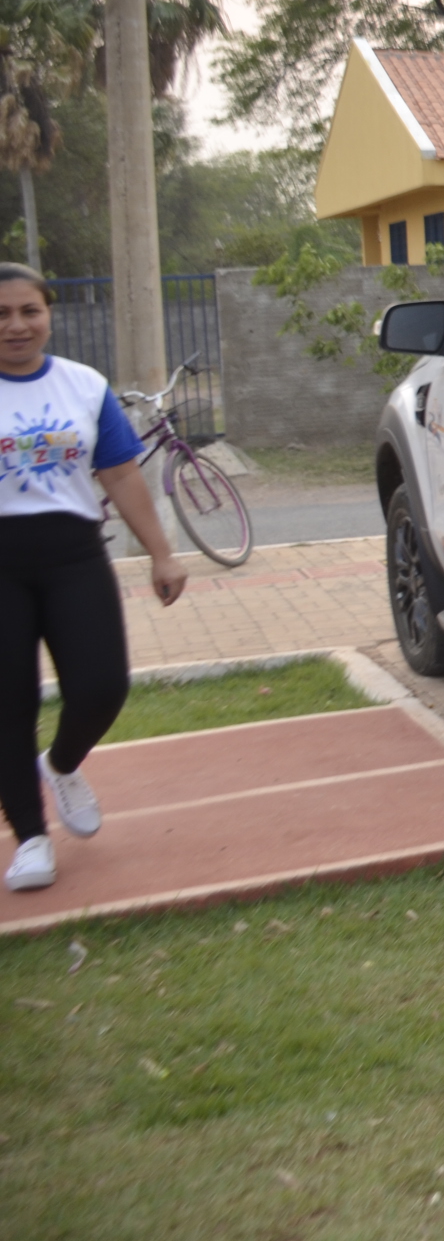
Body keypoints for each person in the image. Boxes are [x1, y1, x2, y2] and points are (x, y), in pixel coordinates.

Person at [1, 263, 187, 892]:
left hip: (75, 556)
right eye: (2, 314)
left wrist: (162, 553)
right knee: (8, 706)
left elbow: (122, 475)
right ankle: (29, 838)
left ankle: (61, 764)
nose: (17, 325)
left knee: (103, 686)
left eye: (29, 311)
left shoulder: (84, 386)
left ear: (49, 315)